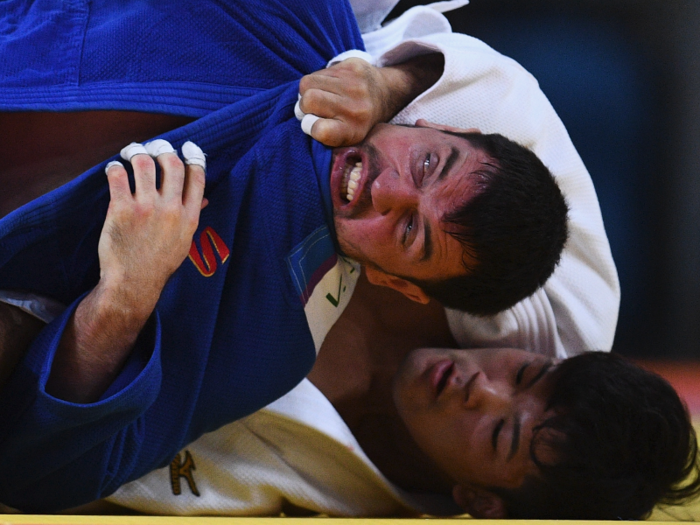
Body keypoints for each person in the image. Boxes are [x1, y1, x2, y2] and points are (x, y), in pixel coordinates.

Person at [0, 0, 613, 513]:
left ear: (401, 284)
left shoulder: (271, 356)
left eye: (410, 235)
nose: (483, 388)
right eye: (525, 376)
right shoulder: (569, 312)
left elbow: (51, 469)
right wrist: (386, 84)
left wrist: (123, 297)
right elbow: (504, 99)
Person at [99, 279, 700, 519]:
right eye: (526, 375)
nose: (481, 388)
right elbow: (466, 73)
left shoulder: (264, 488)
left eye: (499, 434)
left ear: (479, 501)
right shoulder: (562, 287)